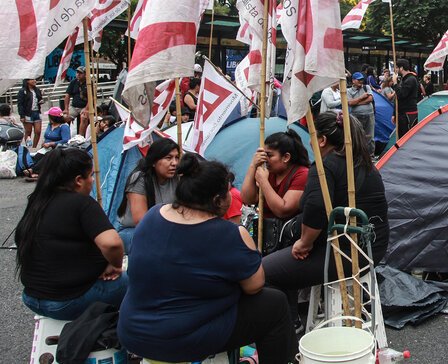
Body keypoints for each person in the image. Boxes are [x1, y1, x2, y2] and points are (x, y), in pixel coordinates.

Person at [119, 154, 294, 364]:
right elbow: (254, 286)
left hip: (134, 332)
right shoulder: (230, 234)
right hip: (183, 340)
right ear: (217, 201)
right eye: (228, 192)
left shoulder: (152, 215)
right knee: (274, 303)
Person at [262, 111, 389, 326]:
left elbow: (317, 207)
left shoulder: (324, 167)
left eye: (312, 137)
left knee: (262, 273)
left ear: (321, 140)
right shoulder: (364, 163)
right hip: (372, 250)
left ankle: (284, 334)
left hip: (344, 254)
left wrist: (304, 242)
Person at [15, 148, 126, 320]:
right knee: (141, 279)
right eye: (90, 176)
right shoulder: (82, 203)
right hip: (67, 301)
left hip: (31, 298)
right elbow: (112, 243)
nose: (92, 180)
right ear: (78, 180)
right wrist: (115, 265)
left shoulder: (37, 200)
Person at [115, 138, 181, 253]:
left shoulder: (177, 178)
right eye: (168, 158)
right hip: (134, 231)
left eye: (176, 157)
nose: (174, 163)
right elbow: (141, 222)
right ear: (154, 162)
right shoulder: (140, 178)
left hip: (167, 230)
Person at [242, 130, 309, 223]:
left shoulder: (302, 174)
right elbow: (248, 199)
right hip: (267, 232)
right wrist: (253, 165)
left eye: (269, 155)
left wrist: (263, 182)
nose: (265, 160)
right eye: (263, 155)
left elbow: (283, 211)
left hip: (290, 234)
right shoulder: (268, 173)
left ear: (286, 157)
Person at [345, 72, 376, 155]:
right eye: (358, 80)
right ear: (353, 81)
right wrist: (361, 97)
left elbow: (370, 99)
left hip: (369, 114)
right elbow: (350, 103)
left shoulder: (366, 87)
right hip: (356, 115)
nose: (360, 81)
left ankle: (370, 155)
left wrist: (357, 102)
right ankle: (358, 155)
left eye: (361, 79)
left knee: (370, 136)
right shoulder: (349, 91)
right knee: (357, 136)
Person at [395, 59, 420, 139]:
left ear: (401, 68)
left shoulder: (411, 79)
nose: (396, 70)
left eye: (397, 68)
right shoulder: (404, 79)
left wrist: (395, 84)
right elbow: (397, 98)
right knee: (401, 137)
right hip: (402, 113)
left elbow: (401, 95)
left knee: (406, 138)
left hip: (408, 114)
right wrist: (394, 113)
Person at [17, 78, 44, 148]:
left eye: (34, 79)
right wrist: (22, 115)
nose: (34, 81)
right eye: (32, 80)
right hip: (28, 113)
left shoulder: (37, 90)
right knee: (28, 131)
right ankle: (28, 146)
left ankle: (34, 147)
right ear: (27, 81)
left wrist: (41, 101)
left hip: (37, 112)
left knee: (38, 131)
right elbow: (20, 103)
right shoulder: (23, 91)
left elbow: (40, 98)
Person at [63, 67, 89, 136]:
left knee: (84, 117)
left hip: (84, 106)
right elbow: (67, 95)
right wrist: (66, 109)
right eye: (77, 73)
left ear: (85, 74)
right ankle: (64, 136)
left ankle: (80, 136)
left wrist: (86, 109)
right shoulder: (73, 82)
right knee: (64, 117)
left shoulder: (89, 83)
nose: (78, 75)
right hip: (74, 106)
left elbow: (92, 98)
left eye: (80, 73)